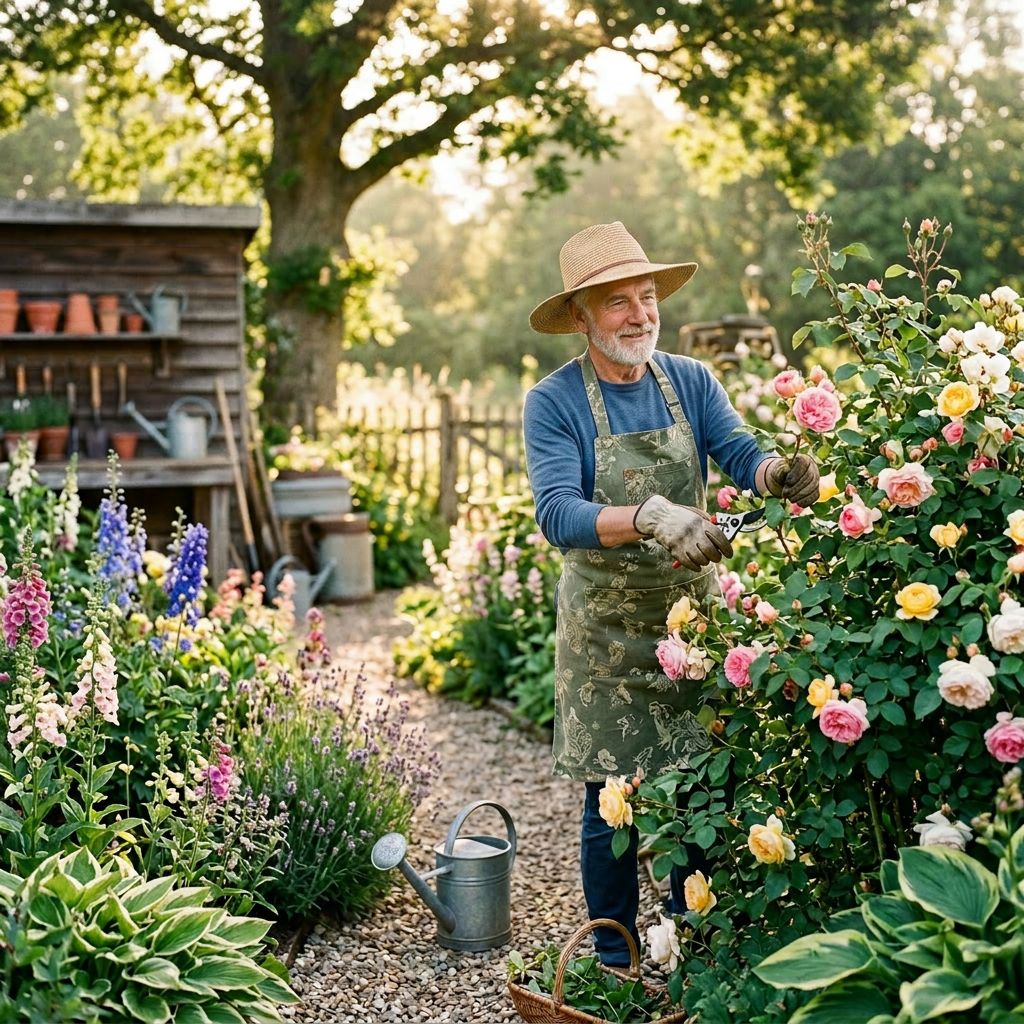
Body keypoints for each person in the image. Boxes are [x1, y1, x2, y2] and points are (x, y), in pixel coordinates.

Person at [522, 222, 819, 966]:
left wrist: (776, 472)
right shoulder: (553, 401)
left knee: (697, 785)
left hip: (694, 625)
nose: (639, 314)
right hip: (605, 630)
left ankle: (689, 936)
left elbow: (741, 452)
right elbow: (559, 513)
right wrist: (652, 514)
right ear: (581, 317)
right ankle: (616, 957)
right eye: (616, 302)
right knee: (609, 800)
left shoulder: (688, 380)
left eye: (646, 296)